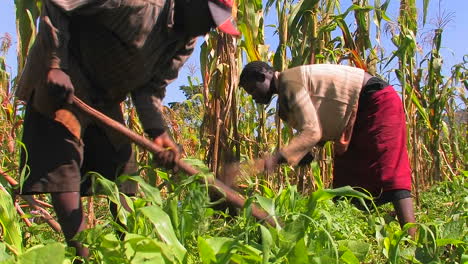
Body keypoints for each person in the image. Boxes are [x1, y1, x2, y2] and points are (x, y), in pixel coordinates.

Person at [16, 0, 240, 259]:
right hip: (65, 82)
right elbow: (60, 3)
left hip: (105, 97)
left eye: (214, 24)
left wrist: (158, 132)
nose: (206, 30)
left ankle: (131, 251)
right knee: (64, 167)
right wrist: (56, 64)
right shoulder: (140, 3)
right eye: (208, 18)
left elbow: (150, 88)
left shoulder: (184, 41)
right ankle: (83, 257)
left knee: (124, 172)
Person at [238, 61, 416, 237]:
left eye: (253, 90)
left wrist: (268, 162)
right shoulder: (286, 97)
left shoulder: (289, 83)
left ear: (264, 76)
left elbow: (312, 132)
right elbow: (319, 123)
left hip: (376, 101)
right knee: (347, 181)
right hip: (354, 115)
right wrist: (304, 152)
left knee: (389, 169)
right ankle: (362, 234)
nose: (254, 97)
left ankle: (412, 237)